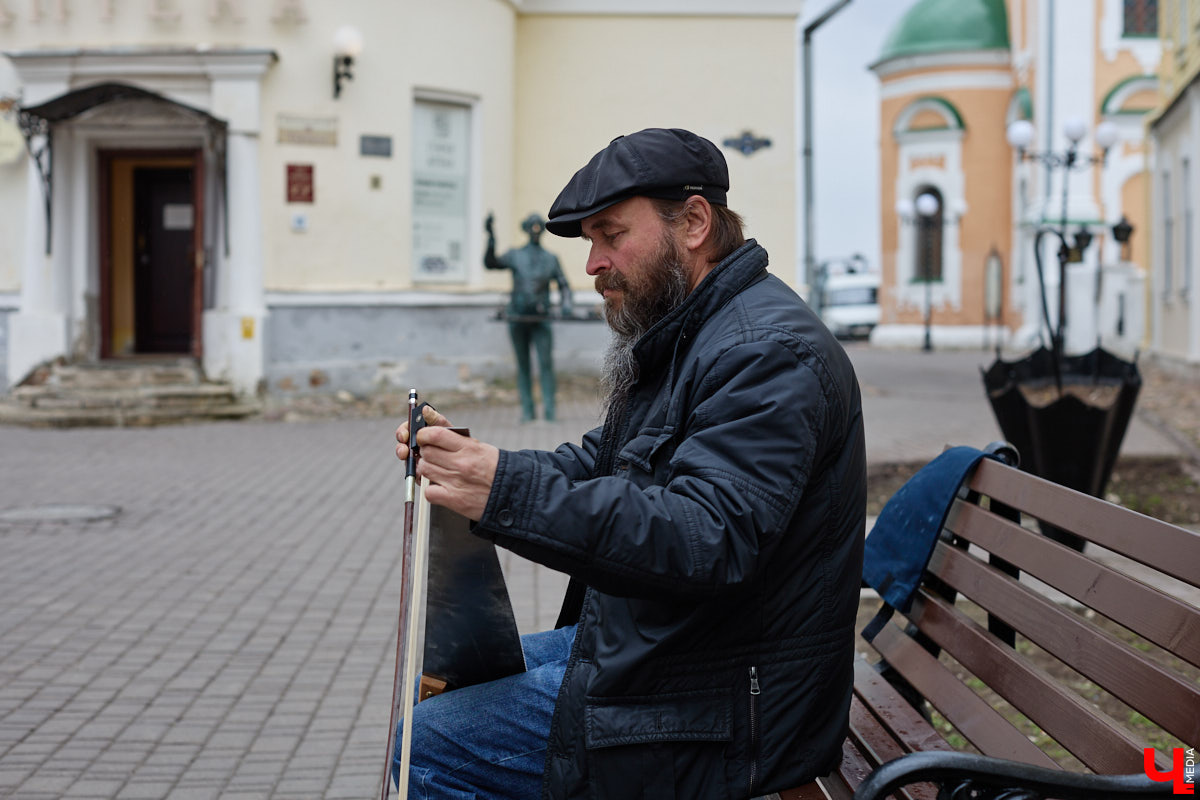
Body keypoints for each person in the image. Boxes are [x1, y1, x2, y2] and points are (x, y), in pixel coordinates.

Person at [394, 127, 865, 799]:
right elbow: (602, 463)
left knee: (430, 744)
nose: (592, 264)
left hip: (739, 703)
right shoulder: (696, 332)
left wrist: (502, 490)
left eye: (611, 235)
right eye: (590, 242)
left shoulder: (768, 353)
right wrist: (478, 464)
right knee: (454, 683)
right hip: (697, 655)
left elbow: (707, 538)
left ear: (695, 222)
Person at [484, 212, 573, 422]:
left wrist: (567, 304)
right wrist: (490, 237)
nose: (535, 231)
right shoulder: (515, 255)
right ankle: (527, 411)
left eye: (538, 227)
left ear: (542, 231)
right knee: (523, 365)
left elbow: (564, 285)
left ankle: (550, 412)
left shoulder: (551, 259)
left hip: (541, 319)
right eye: (531, 227)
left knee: (546, 364)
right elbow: (491, 263)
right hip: (518, 318)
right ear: (525, 229)